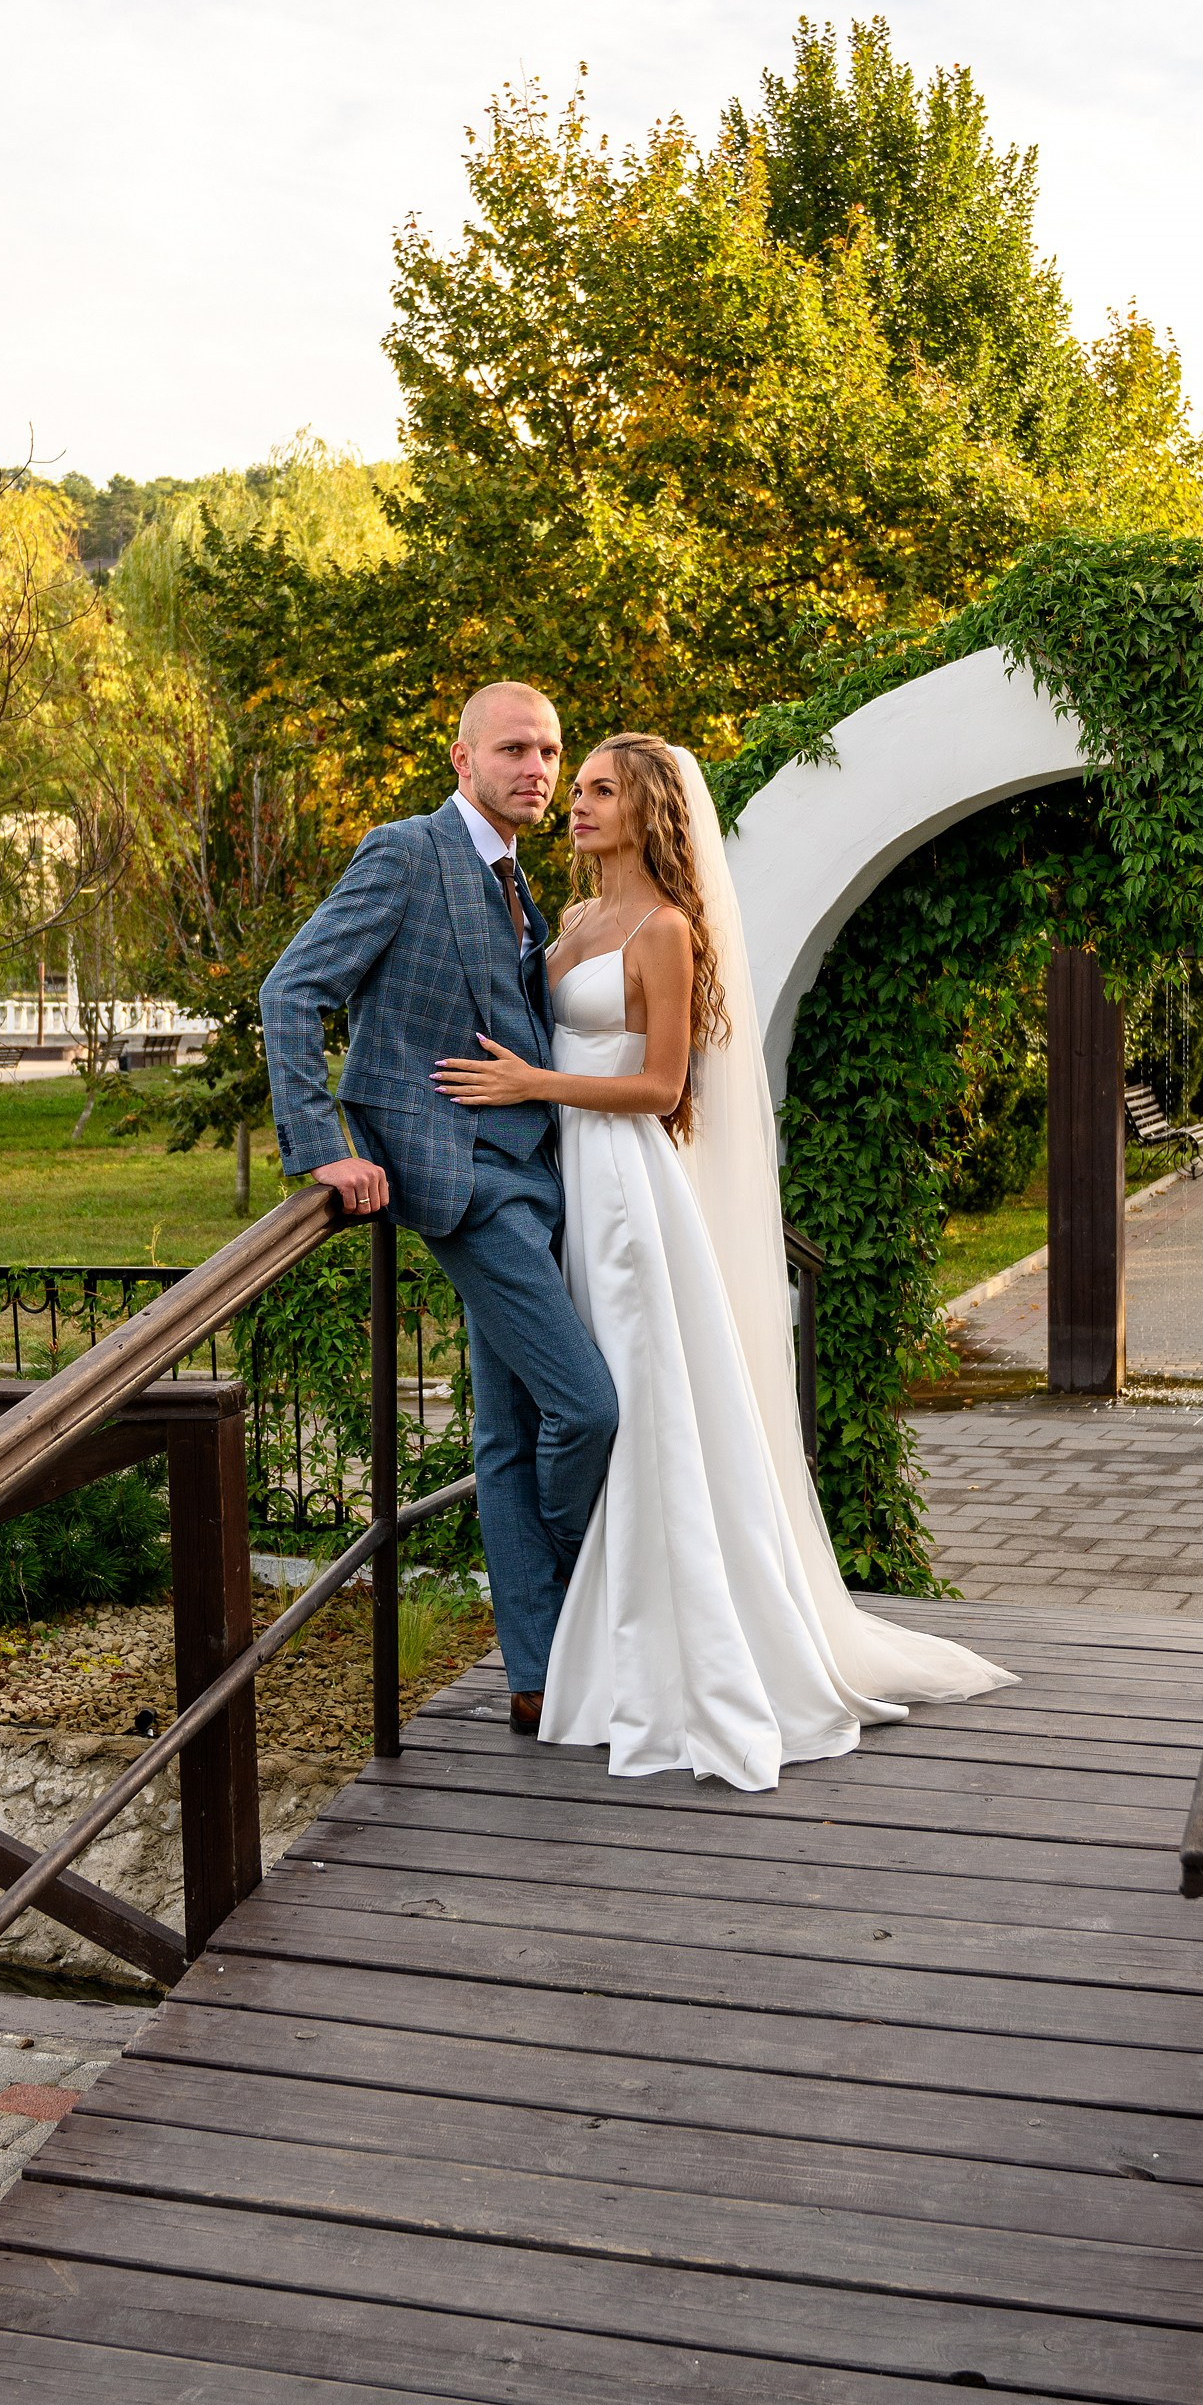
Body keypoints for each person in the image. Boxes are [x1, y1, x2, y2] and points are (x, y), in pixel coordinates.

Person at [435, 732, 1012, 1788]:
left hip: (624, 1185)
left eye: (601, 790)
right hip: (557, 1179)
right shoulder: (568, 920)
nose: (577, 802)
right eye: (580, 788)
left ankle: (656, 1629)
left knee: (626, 1401)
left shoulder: (663, 931)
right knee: (550, 1405)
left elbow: (661, 1089)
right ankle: (591, 1623)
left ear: (649, 809)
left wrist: (533, 1088)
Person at [259, 683, 619, 1726]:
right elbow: (293, 991)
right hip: (463, 1184)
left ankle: (537, 1670)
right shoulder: (407, 851)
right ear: (461, 759)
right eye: (513, 749)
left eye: (549, 752)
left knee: (507, 1441)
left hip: (538, 1177)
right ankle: (587, 1600)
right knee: (587, 1407)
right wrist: (323, 1147)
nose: (537, 770)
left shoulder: (517, 881)